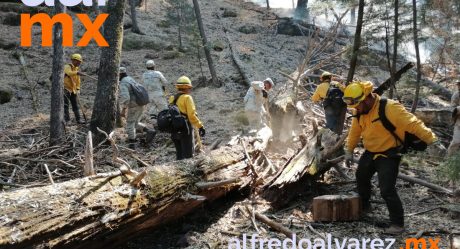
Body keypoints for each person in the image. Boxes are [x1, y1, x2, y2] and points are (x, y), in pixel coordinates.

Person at [343, 81, 439, 234]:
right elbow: (355, 131)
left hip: (389, 153)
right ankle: (365, 207)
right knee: (361, 177)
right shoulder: (359, 110)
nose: (356, 109)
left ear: (367, 98)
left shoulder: (390, 107)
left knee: (386, 189)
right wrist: (349, 150)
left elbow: (413, 124)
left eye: (358, 104)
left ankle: (397, 223)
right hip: (370, 151)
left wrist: (432, 139)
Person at [119, 67, 156, 149]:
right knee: (135, 123)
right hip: (140, 103)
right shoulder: (130, 79)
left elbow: (126, 98)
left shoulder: (123, 83)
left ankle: (132, 144)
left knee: (129, 124)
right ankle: (149, 131)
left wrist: (123, 109)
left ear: (119, 74)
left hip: (133, 105)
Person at [169, 76, 205, 160]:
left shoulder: (172, 98)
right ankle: (189, 172)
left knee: (179, 154)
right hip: (185, 128)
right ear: (187, 87)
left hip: (174, 128)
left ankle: (178, 171)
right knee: (188, 155)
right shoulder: (187, 98)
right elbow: (191, 115)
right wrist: (200, 126)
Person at [64, 53, 85, 124]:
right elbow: (69, 73)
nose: (79, 63)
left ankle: (78, 119)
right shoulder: (67, 66)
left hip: (73, 89)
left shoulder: (76, 69)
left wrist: (78, 89)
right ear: (74, 60)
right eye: (78, 61)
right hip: (65, 89)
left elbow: (78, 80)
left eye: (80, 62)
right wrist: (77, 72)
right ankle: (67, 120)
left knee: (75, 105)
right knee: (65, 105)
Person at [448, 80, 460, 156]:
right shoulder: (456, 95)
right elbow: (452, 109)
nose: (459, 86)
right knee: (456, 142)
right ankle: (449, 162)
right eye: (458, 84)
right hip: (459, 123)